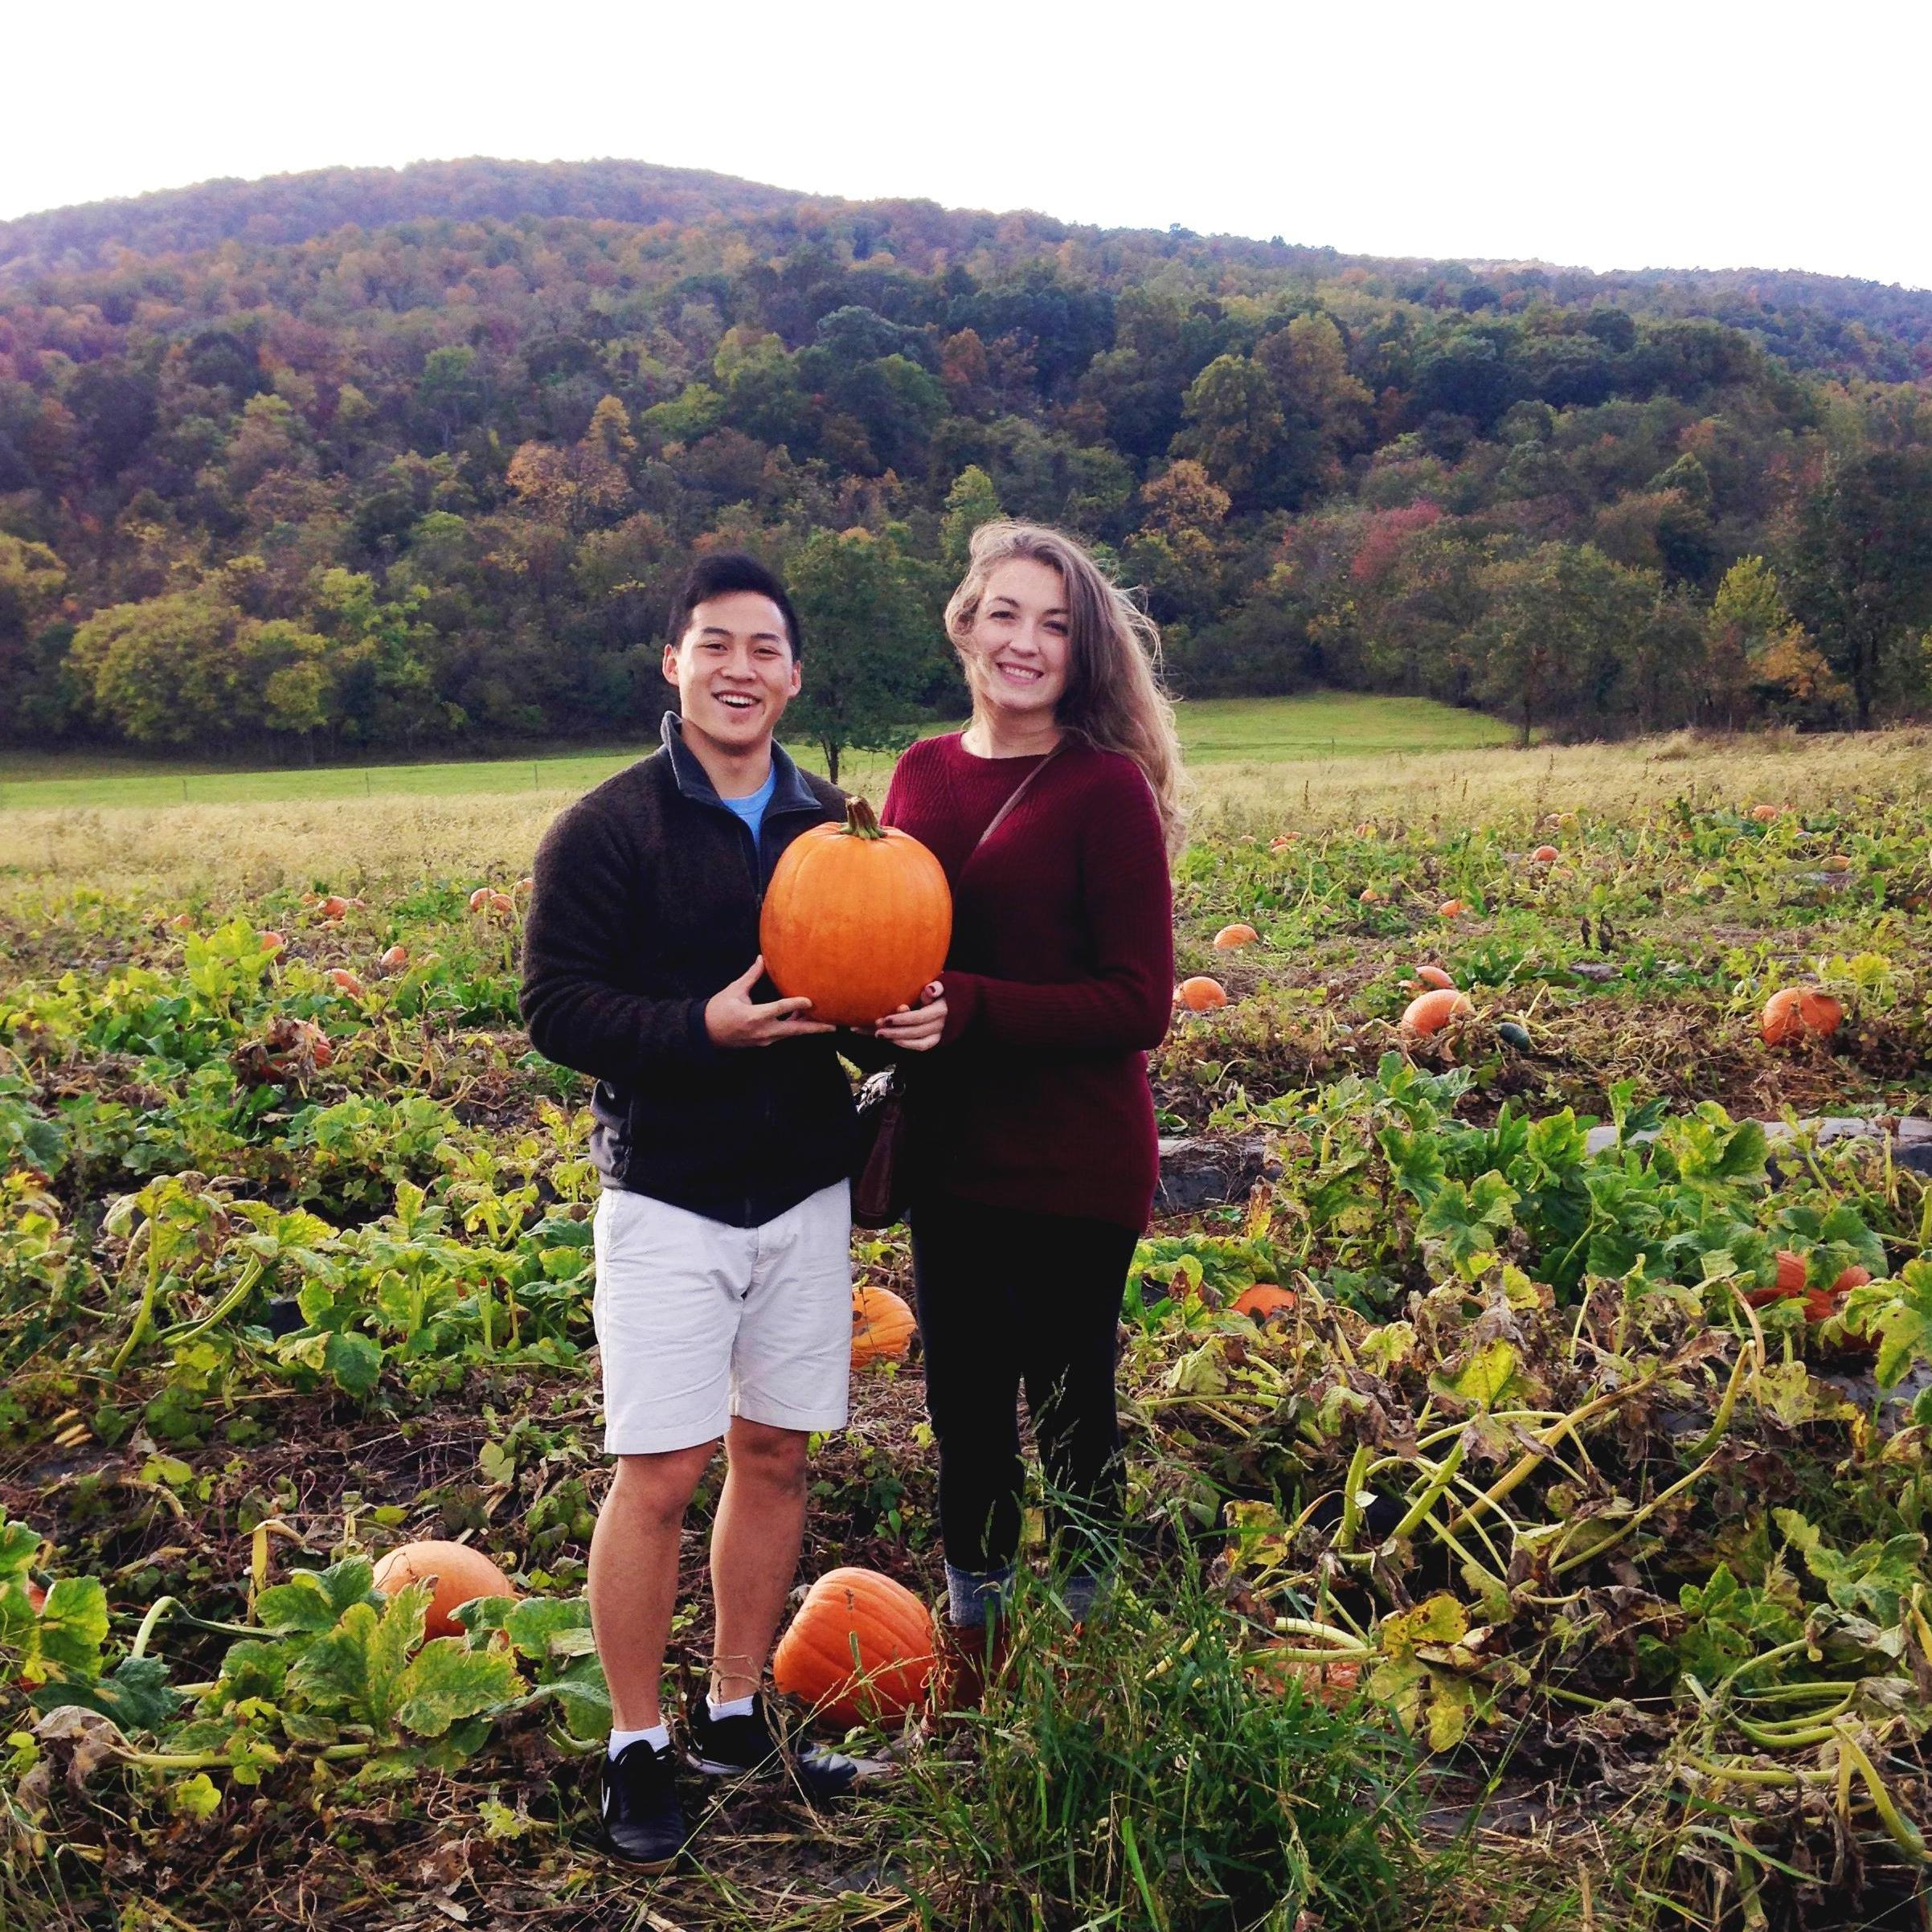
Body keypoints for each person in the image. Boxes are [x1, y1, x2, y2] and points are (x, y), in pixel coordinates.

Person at [521, 553, 882, 1869]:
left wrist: (907, 1030)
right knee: (662, 1474)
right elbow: (556, 1009)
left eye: (765, 649)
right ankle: (635, 1741)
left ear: (794, 675)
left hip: (802, 1186)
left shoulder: (839, 825)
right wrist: (699, 1027)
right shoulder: (610, 826)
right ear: (672, 664)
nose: (741, 669)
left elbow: (858, 995)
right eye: (713, 645)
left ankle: (735, 1713)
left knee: (777, 1457)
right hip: (667, 1192)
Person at [870, 521, 1182, 1685]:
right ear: (965, 622)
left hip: (1073, 1161)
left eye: (1054, 625)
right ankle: (982, 1667)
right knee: (964, 1417)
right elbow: (888, 940)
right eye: (1006, 613)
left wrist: (969, 1006)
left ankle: (1093, 1667)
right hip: (952, 1155)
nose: (1025, 641)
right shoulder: (920, 773)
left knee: (1070, 1410)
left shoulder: (1104, 791)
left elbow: (1138, 1002)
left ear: (1081, 653)